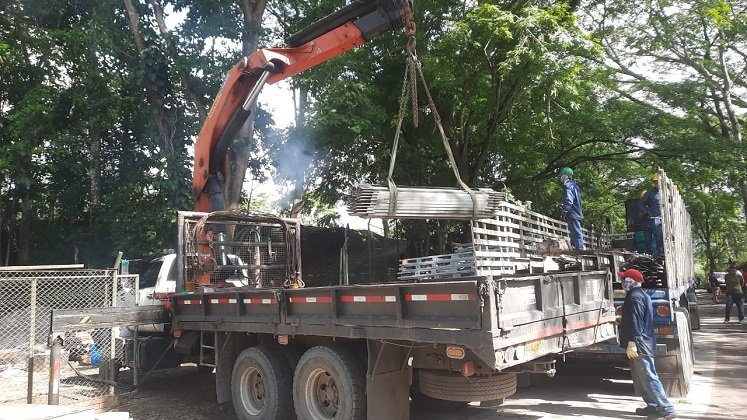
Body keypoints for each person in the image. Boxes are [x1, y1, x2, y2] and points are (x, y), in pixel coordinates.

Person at [618, 268, 676, 420]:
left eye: (625, 279)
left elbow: (636, 321)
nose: (622, 282)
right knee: (642, 377)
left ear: (631, 281)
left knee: (649, 376)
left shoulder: (635, 297)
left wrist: (632, 342)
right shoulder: (638, 295)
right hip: (643, 341)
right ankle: (652, 406)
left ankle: (666, 408)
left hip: (640, 344)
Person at [559, 167, 584, 250]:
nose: (561, 179)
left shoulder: (568, 186)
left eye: (561, 177)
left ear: (565, 176)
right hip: (578, 211)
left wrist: (564, 210)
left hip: (572, 212)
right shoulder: (576, 186)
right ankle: (576, 248)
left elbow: (569, 200)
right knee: (575, 232)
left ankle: (579, 250)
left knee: (575, 232)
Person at [638, 173, 664, 255]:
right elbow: (640, 203)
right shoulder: (650, 194)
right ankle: (650, 255)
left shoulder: (666, 193)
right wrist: (645, 212)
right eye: (655, 182)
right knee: (648, 240)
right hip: (651, 220)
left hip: (660, 220)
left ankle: (661, 254)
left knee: (659, 237)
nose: (657, 184)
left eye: (658, 182)